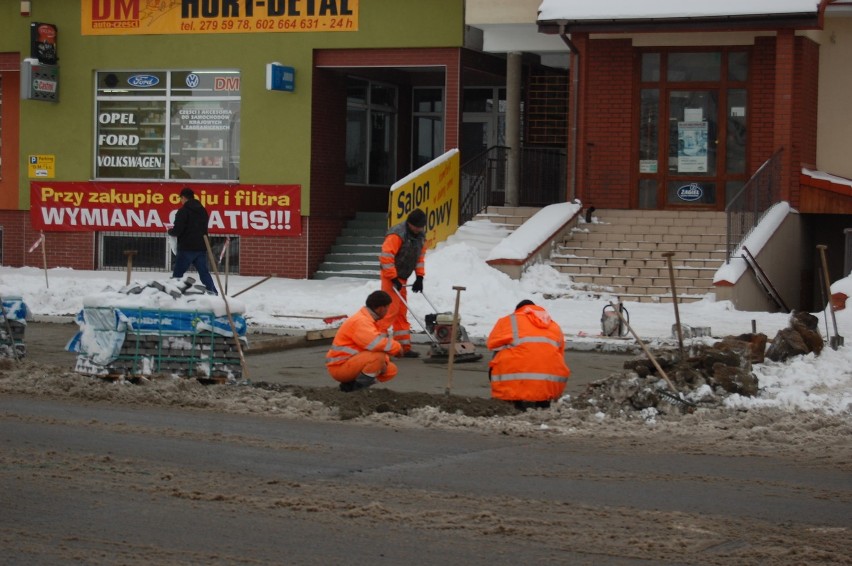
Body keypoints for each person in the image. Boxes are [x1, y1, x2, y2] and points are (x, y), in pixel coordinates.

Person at [486, 300, 571, 410]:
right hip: (551, 383)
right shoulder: (554, 326)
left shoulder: (510, 320)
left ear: (518, 310)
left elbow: (491, 344)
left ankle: (513, 400)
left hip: (515, 380)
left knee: (498, 355)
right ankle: (543, 403)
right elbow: (560, 353)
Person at [326, 290, 403, 392]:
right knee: (377, 358)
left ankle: (351, 384)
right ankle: (357, 390)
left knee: (390, 370)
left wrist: (384, 362)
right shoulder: (362, 321)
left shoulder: (367, 319)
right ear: (380, 308)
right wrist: (397, 348)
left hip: (347, 363)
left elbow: (371, 346)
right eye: (387, 307)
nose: (388, 310)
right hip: (339, 367)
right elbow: (375, 344)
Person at [378, 208, 427, 357]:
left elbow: (419, 258)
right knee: (389, 312)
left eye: (421, 227)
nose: (419, 229)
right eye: (417, 227)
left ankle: (403, 348)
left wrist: (420, 277)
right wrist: (393, 278)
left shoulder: (420, 237)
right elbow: (386, 257)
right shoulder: (397, 234)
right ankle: (381, 347)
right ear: (410, 224)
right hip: (390, 277)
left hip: (402, 277)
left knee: (401, 312)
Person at [169, 187, 217, 295]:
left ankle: (173, 293)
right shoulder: (202, 210)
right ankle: (212, 291)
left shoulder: (183, 211)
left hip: (187, 247)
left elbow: (178, 230)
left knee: (178, 273)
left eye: (181, 198)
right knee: (204, 272)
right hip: (201, 246)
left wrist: (170, 231)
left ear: (184, 197)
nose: (181, 201)